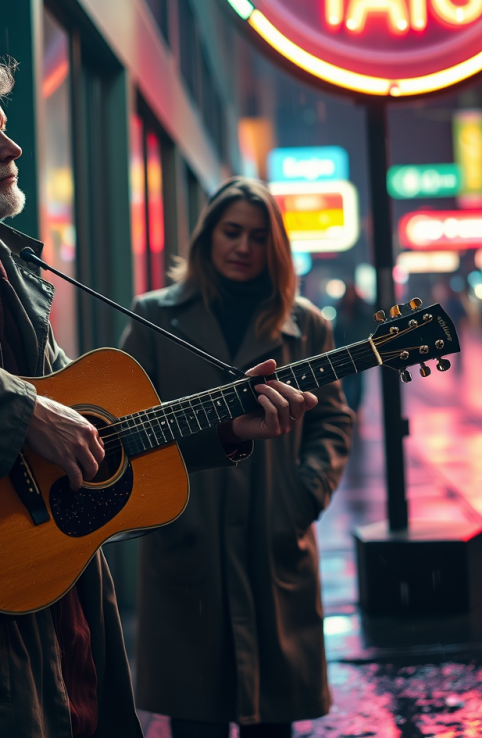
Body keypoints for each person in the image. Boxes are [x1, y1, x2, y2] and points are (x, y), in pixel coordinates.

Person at [0, 50, 316, 738]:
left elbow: (95, 432)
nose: (13, 147)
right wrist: (22, 412)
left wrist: (223, 428)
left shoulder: (4, 259)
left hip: (52, 602)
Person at [121, 177, 354, 738]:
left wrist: (303, 496)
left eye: (258, 236)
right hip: (187, 537)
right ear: (207, 237)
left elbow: (332, 420)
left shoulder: (307, 324)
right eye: (232, 232)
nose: (244, 246)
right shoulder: (154, 316)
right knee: (193, 718)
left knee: (271, 720)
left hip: (272, 536)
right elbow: (125, 426)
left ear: (275, 246)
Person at [332, 282, 372, 412]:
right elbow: (337, 329)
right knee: (348, 380)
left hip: (358, 349)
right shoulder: (341, 308)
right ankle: (348, 407)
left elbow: (367, 324)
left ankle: (355, 407)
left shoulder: (360, 309)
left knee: (358, 380)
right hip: (344, 349)